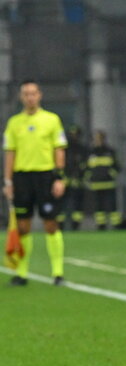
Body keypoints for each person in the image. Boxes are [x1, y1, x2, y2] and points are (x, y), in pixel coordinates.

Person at [3, 80, 67, 286]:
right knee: (23, 226)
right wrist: (8, 181)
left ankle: (57, 272)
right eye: (26, 94)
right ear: (21, 97)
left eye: (33, 93)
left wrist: (59, 177)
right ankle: (22, 273)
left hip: (45, 176)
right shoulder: (14, 123)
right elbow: (10, 153)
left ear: (40, 95)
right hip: (22, 178)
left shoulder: (52, 120)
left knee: (50, 223)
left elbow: (59, 149)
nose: (30, 97)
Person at [84, 130, 120, 230]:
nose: (97, 140)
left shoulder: (110, 151)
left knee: (112, 205)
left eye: (99, 138)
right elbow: (87, 168)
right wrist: (89, 177)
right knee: (98, 206)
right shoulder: (91, 152)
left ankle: (116, 225)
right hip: (96, 184)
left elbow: (117, 167)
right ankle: (101, 225)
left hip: (109, 183)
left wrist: (111, 175)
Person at [60, 125, 88, 231]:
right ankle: (61, 224)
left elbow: (86, 165)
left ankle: (76, 225)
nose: (74, 137)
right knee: (61, 204)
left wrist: (81, 175)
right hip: (65, 181)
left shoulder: (82, 149)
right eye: (72, 135)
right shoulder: (64, 149)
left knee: (78, 204)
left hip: (78, 181)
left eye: (76, 135)